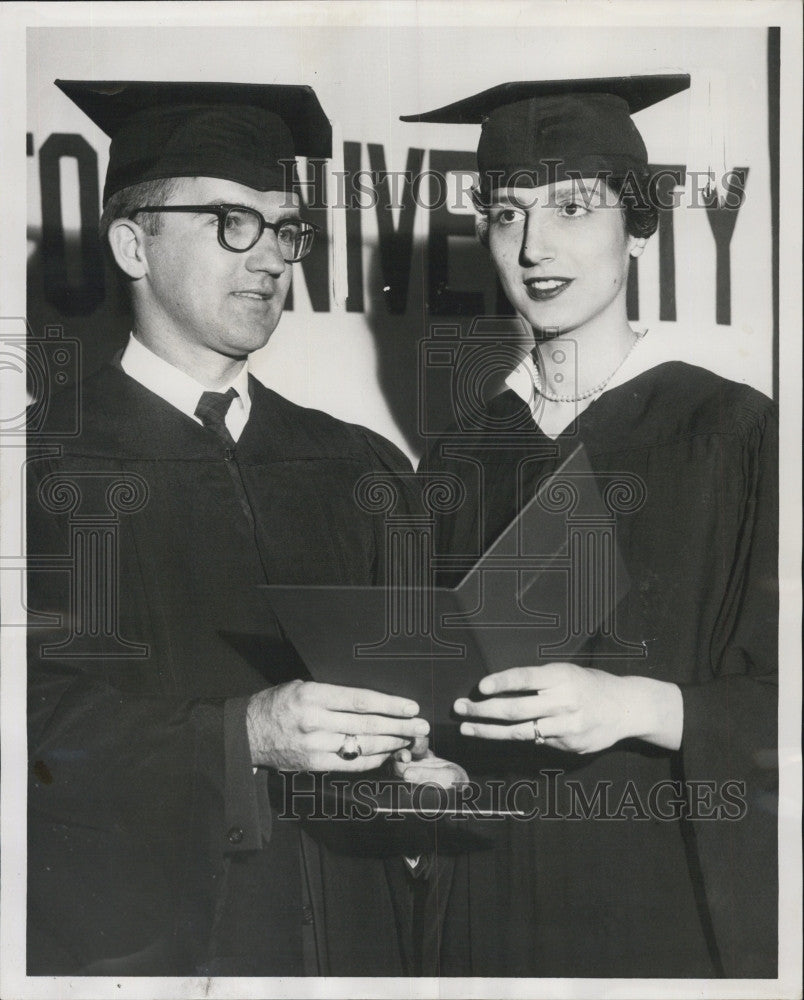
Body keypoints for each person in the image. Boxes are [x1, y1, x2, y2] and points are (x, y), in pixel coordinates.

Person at [26, 79, 440, 977]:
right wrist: (242, 736)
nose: (270, 259)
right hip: (140, 945)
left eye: (286, 230)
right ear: (133, 244)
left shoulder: (359, 466)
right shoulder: (43, 470)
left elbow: (412, 696)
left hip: (354, 943)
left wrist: (422, 761)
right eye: (229, 222)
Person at [402, 75, 778, 977]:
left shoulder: (732, 433)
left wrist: (644, 706)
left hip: (664, 902)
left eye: (574, 207)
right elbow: (436, 696)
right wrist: (423, 768)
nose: (535, 246)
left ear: (638, 225)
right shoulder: (458, 459)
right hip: (485, 910)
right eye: (505, 214)